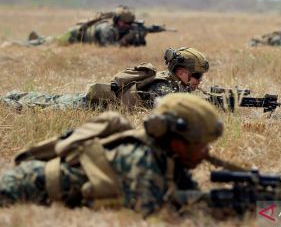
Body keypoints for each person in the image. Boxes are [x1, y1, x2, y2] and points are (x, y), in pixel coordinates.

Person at [0, 93, 224, 217]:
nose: (206, 151)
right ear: (177, 143)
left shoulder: (167, 157)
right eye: (201, 144)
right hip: (23, 187)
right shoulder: (140, 158)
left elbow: (187, 195)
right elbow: (152, 214)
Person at [0, 47, 209, 110]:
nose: (199, 81)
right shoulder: (163, 87)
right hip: (93, 107)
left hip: (96, 104)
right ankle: (7, 103)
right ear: (181, 72)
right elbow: (171, 109)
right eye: (197, 75)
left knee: (50, 99)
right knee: (39, 108)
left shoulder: (174, 84)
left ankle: (14, 95)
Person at [2, 6, 141, 48]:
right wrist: (126, 40)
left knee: (50, 40)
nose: (127, 26)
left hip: (76, 36)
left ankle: (39, 37)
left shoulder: (115, 29)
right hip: (73, 36)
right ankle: (14, 43)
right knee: (47, 45)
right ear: (117, 21)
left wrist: (137, 38)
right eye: (125, 24)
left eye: (129, 24)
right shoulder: (107, 29)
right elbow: (109, 48)